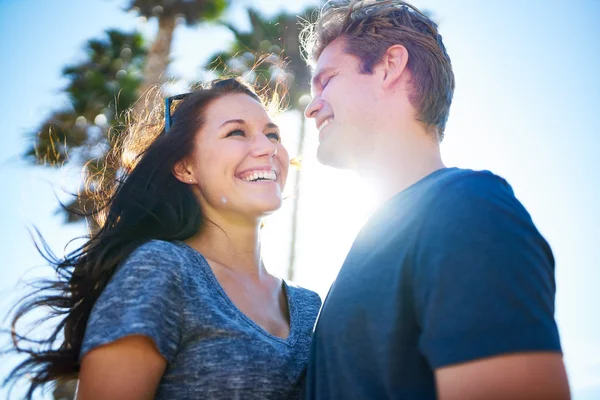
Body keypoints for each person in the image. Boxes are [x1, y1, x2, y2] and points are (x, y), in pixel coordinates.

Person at [300, 1, 570, 399]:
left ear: (390, 66)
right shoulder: (376, 240)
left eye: (327, 81)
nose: (311, 106)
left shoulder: (468, 209)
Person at [6, 78, 321, 399]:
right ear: (185, 167)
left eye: (273, 135)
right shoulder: (162, 270)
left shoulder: (310, 307)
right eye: (236, 132)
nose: (268, 147)